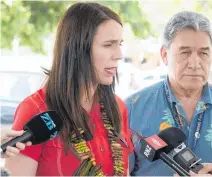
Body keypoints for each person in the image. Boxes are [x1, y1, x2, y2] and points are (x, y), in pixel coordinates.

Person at [126, 11, 212, 176]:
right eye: (185, 52)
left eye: (203, 53)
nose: (194, 63)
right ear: (164, 55)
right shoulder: (131, 109)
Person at [4, 2, 133, 176]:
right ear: (78, 49)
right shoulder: (36, 109)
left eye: (120, 44)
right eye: (108, 45)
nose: (119, 55)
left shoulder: (118, 107)